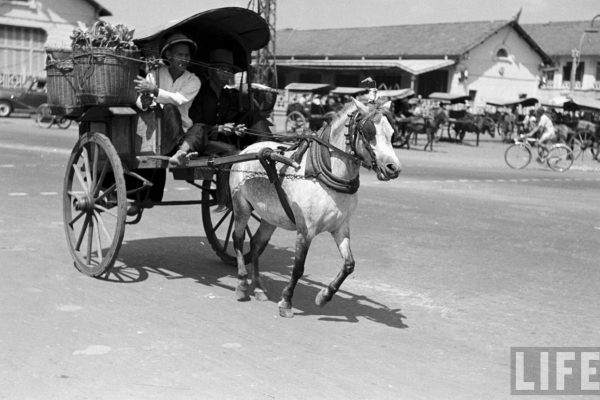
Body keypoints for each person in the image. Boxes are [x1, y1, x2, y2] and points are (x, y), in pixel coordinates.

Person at [128, 32, 201, 214]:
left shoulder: (193, 80)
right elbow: (141, 99)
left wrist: (155, 90)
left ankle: (176, 151)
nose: (184, 59)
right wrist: (143, 102)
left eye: (187, 55)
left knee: (170, 107)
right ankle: (138, 196)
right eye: (180, 54)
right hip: (153, 130)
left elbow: (179, 100)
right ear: (169, 55)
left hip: (178, 133)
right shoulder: (155, 74)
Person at [169, 48, 270, 165]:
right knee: (231, 151)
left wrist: (237, 129)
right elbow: (196, 127)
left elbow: (232, 120)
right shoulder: (199, 93)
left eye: (229, 70)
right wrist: (219, 129)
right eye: (222, 69)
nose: (226, 74)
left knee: (252, 116)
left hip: (223, 139)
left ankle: (270, 146)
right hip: (200, 140)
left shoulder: (228, 96)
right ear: (210, 71)